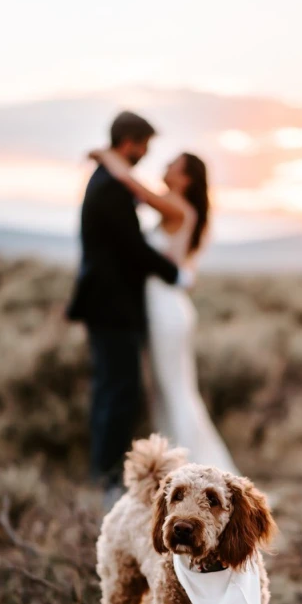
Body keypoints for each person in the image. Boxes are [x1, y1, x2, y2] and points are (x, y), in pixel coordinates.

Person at [87, 144, 238, 473]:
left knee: (173, 390)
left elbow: (133, 186)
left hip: (166, 312)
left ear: (184, 179)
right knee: (169, 389)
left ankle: (195, 469)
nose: (166, 166)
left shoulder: (175, 206)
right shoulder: (181, 209)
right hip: (165, 307)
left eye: (173, 164)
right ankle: (180, 468)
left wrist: (107, 156)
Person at [66, 111, 192, 499]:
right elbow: (132, 250)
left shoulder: (109, 180)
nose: (146, 154)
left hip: (113, 306)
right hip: (112, 308)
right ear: (130, 142)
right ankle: (107, 481)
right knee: (118, 392)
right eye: (144, 145)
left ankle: (104, 474)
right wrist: (174, 275)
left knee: (114, 390)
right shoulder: (111, 187)